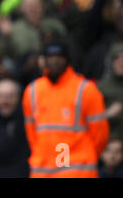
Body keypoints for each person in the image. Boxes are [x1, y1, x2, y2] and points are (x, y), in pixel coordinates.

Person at [22, 41, 109, 178]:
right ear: (44, 60)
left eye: (59, 57)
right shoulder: (32, 91)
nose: (55, 61)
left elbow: (100, 134)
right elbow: (31, 133)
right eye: (50, 57)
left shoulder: (85, 90)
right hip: (43, 169)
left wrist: (85, 155)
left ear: (67, 60)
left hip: (77, 169)